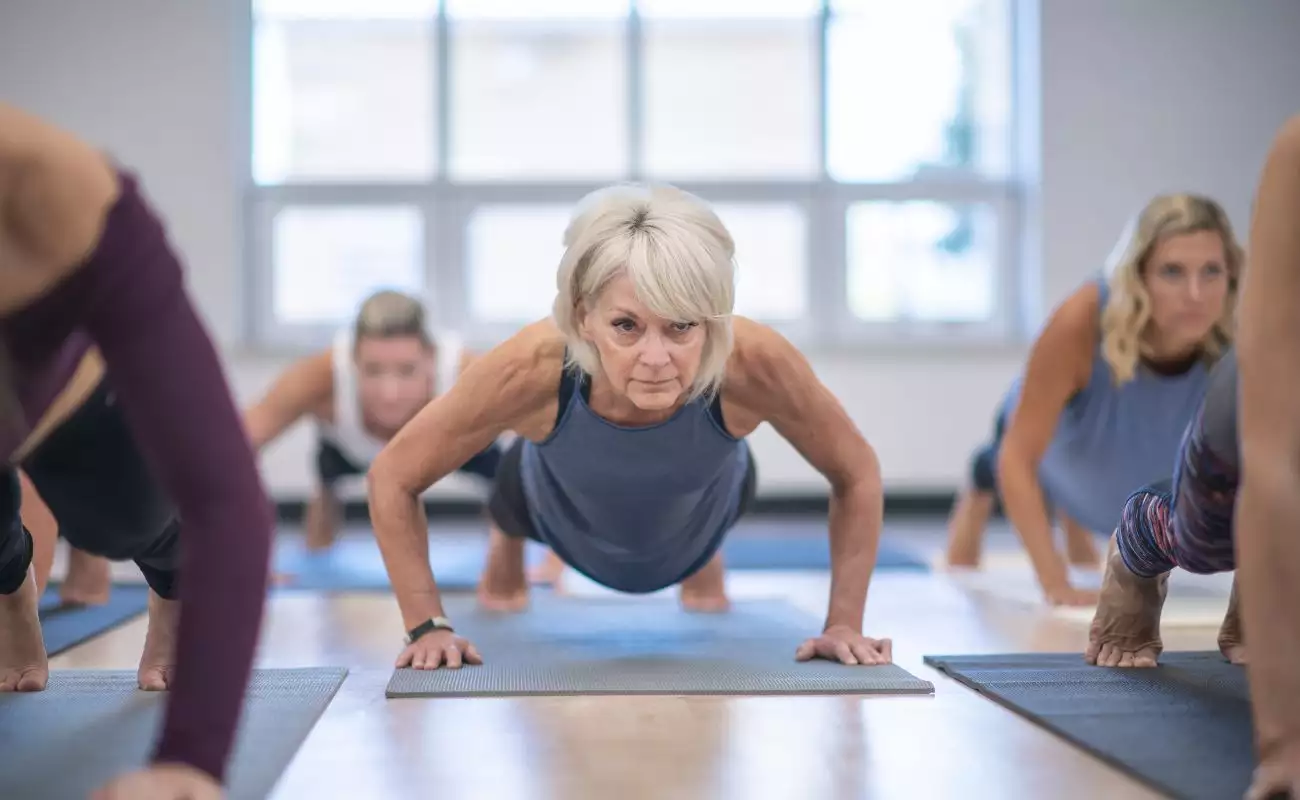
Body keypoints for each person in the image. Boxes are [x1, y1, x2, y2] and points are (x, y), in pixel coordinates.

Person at [366, 184, 892, 670]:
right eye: (626, 326)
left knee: (708, 489)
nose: (655, 358)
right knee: (512, 488)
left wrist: (844, 622)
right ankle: (507, 540)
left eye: (681, 326)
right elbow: (393, 476)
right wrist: (426, 627)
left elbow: (857, 471)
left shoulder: (753, 362)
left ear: (712, 322)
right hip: (546, 504)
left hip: (706, 497)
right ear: (583, 317)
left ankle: (700, 556)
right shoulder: (529, 368)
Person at [0, 103, 273, 799]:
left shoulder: (57, 187)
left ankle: (165, 586)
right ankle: (12, 592)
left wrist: (190, 759)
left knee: (117, 523)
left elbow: (225, 499)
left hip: (57, 407)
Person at [1088, 115, 1300, 799]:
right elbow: (1272, 455)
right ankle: (1136, 544)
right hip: (1259, 410)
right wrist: (1283, 746)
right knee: (1207, 538)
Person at [945, 194, 1242, 605]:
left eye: (1211, 271)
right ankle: (981, 478)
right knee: (992, 474)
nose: (1195, 293)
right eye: (1172, 271)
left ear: (1231, 274)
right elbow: (1017, 458)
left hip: (1124, 463)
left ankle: (1073, 520)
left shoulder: (1240, 329)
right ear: (1137, 275)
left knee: (1090, 545)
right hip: (1059, 442)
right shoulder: (1082, 316)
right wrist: (1055, 584)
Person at [241, 289, 511, 577]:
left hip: (452, 447)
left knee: (504, 483)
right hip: (351, 448)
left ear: (431, 359)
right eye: (373, 371)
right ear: (353, 361)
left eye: (406, 371)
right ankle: (317, 544)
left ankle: (503, 557)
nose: (390, 394)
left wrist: (556, 562)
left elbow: (548, 442)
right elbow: (233, 451)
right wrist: (245, 554)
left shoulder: (469, 375)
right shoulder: (318, 377)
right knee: (326, 485)